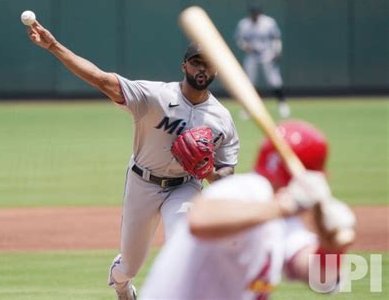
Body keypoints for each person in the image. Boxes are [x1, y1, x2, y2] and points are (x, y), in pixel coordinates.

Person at [26, 21, 240, 299]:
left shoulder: (221, 118)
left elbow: (226, 177)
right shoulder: (155, 96)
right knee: (130, 264)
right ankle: (121, 283)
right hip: (143, 183)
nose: (202, 68)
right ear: (184, 66)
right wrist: (54, 46)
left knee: (184, 246)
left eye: (208, 63)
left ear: (216, 69)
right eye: (196, 62)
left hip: (184, 187)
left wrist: (208, 170)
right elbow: (101, 79)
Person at [141, 120, 356, 300]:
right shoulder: (247, 189)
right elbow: (200, 220)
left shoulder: (284, 221)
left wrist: (331, 248)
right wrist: (284, 206)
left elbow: (320, 279)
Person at [235, 6, 290, 119]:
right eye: (253, 14)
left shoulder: (268, 22)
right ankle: (248, 109)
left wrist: (277, 51)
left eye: (256, 14)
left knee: (274, 80)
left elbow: (276, 38)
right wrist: (245, 46)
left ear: (260, 14)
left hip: (267, 54)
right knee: (249, 83)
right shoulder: (244, 24)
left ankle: (282, 105)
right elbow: (239, 39)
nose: (254, 16)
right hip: (251, 56)